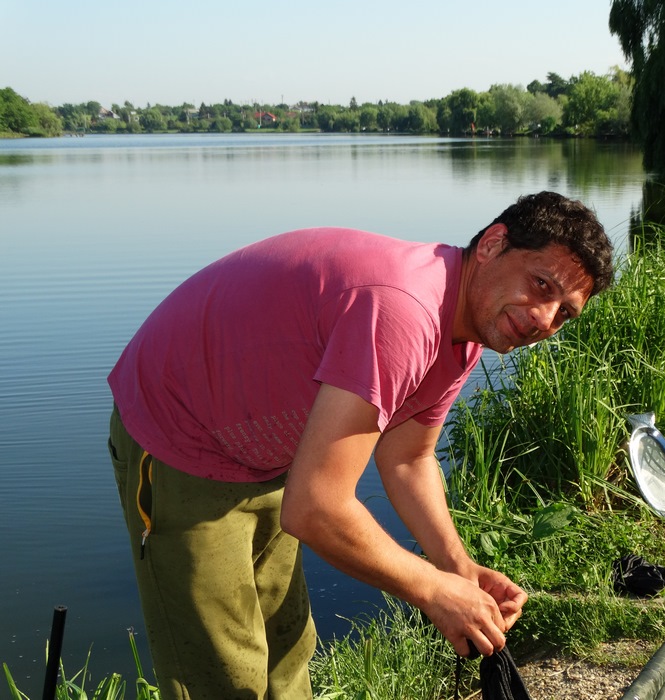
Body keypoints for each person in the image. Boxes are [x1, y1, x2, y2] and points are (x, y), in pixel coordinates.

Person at [107, 191, 614, 699]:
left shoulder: (464, 327)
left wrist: (458, 570)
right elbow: (315, 507)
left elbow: (408, 458)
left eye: (564, 314)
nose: (544, 319)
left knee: (286, 651)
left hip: (269, 449)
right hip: (183, 435)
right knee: (222, 676)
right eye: (541, 284)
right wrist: (433, 591)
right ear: (492, 244)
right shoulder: (404, 311)